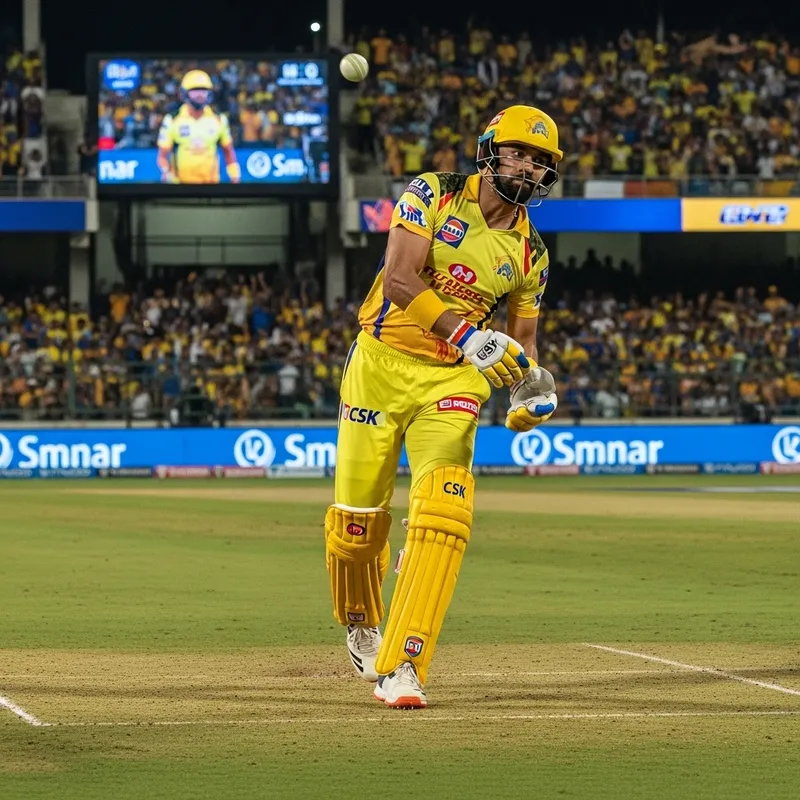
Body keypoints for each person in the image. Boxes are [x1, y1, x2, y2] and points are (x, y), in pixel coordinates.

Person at [323, 105, 562, 709]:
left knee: (443, 517)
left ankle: (403, 664)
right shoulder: (432, 192)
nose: (527, 167)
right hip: (379, 366)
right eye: (517, 153)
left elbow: (522, 344)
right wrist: (469, 335)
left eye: (539, 161)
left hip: (452, 384)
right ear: (489, 150)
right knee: (356, 529)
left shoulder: (530, 253)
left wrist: (531, 388)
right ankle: (360, 618)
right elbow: (401, 281)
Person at [156, 69, 241, 184]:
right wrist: (167, 172)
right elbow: (162, 156)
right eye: (195, 90)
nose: (200, 94)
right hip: (181, 186)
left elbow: (228, 151)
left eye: (203, 90)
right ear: (184, 93)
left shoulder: (219, 119)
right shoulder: (172, 119)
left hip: (211, 186)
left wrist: (235, 175)